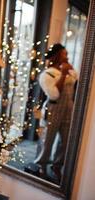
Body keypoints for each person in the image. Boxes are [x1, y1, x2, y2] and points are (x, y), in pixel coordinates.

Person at [33, 43, 78, 182]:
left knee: (65, 140)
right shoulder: (47, 74)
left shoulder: (67, 69)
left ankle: (57, 165)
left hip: (68, 109)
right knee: (48, 139)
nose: (67, 56)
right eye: (64, 54)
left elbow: (76, 80)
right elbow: (54, 95)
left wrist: (68, 71)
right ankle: (41, 165)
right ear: (56, 55)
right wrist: (63, 74)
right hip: (53, 108)